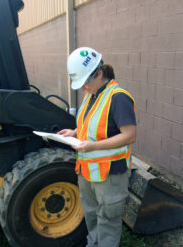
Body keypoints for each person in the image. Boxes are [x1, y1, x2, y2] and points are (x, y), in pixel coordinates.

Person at [58, 47, 136, 247]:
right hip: (87, 170)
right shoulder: (92, 93)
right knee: (92, 215)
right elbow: (92, 124)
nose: (84, 87)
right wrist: (74, 132)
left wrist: (93, 146)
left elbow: (129, 136)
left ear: (99, 73)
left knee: (108, 219)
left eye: (86, 82)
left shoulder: (118, 98)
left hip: (110, 173)